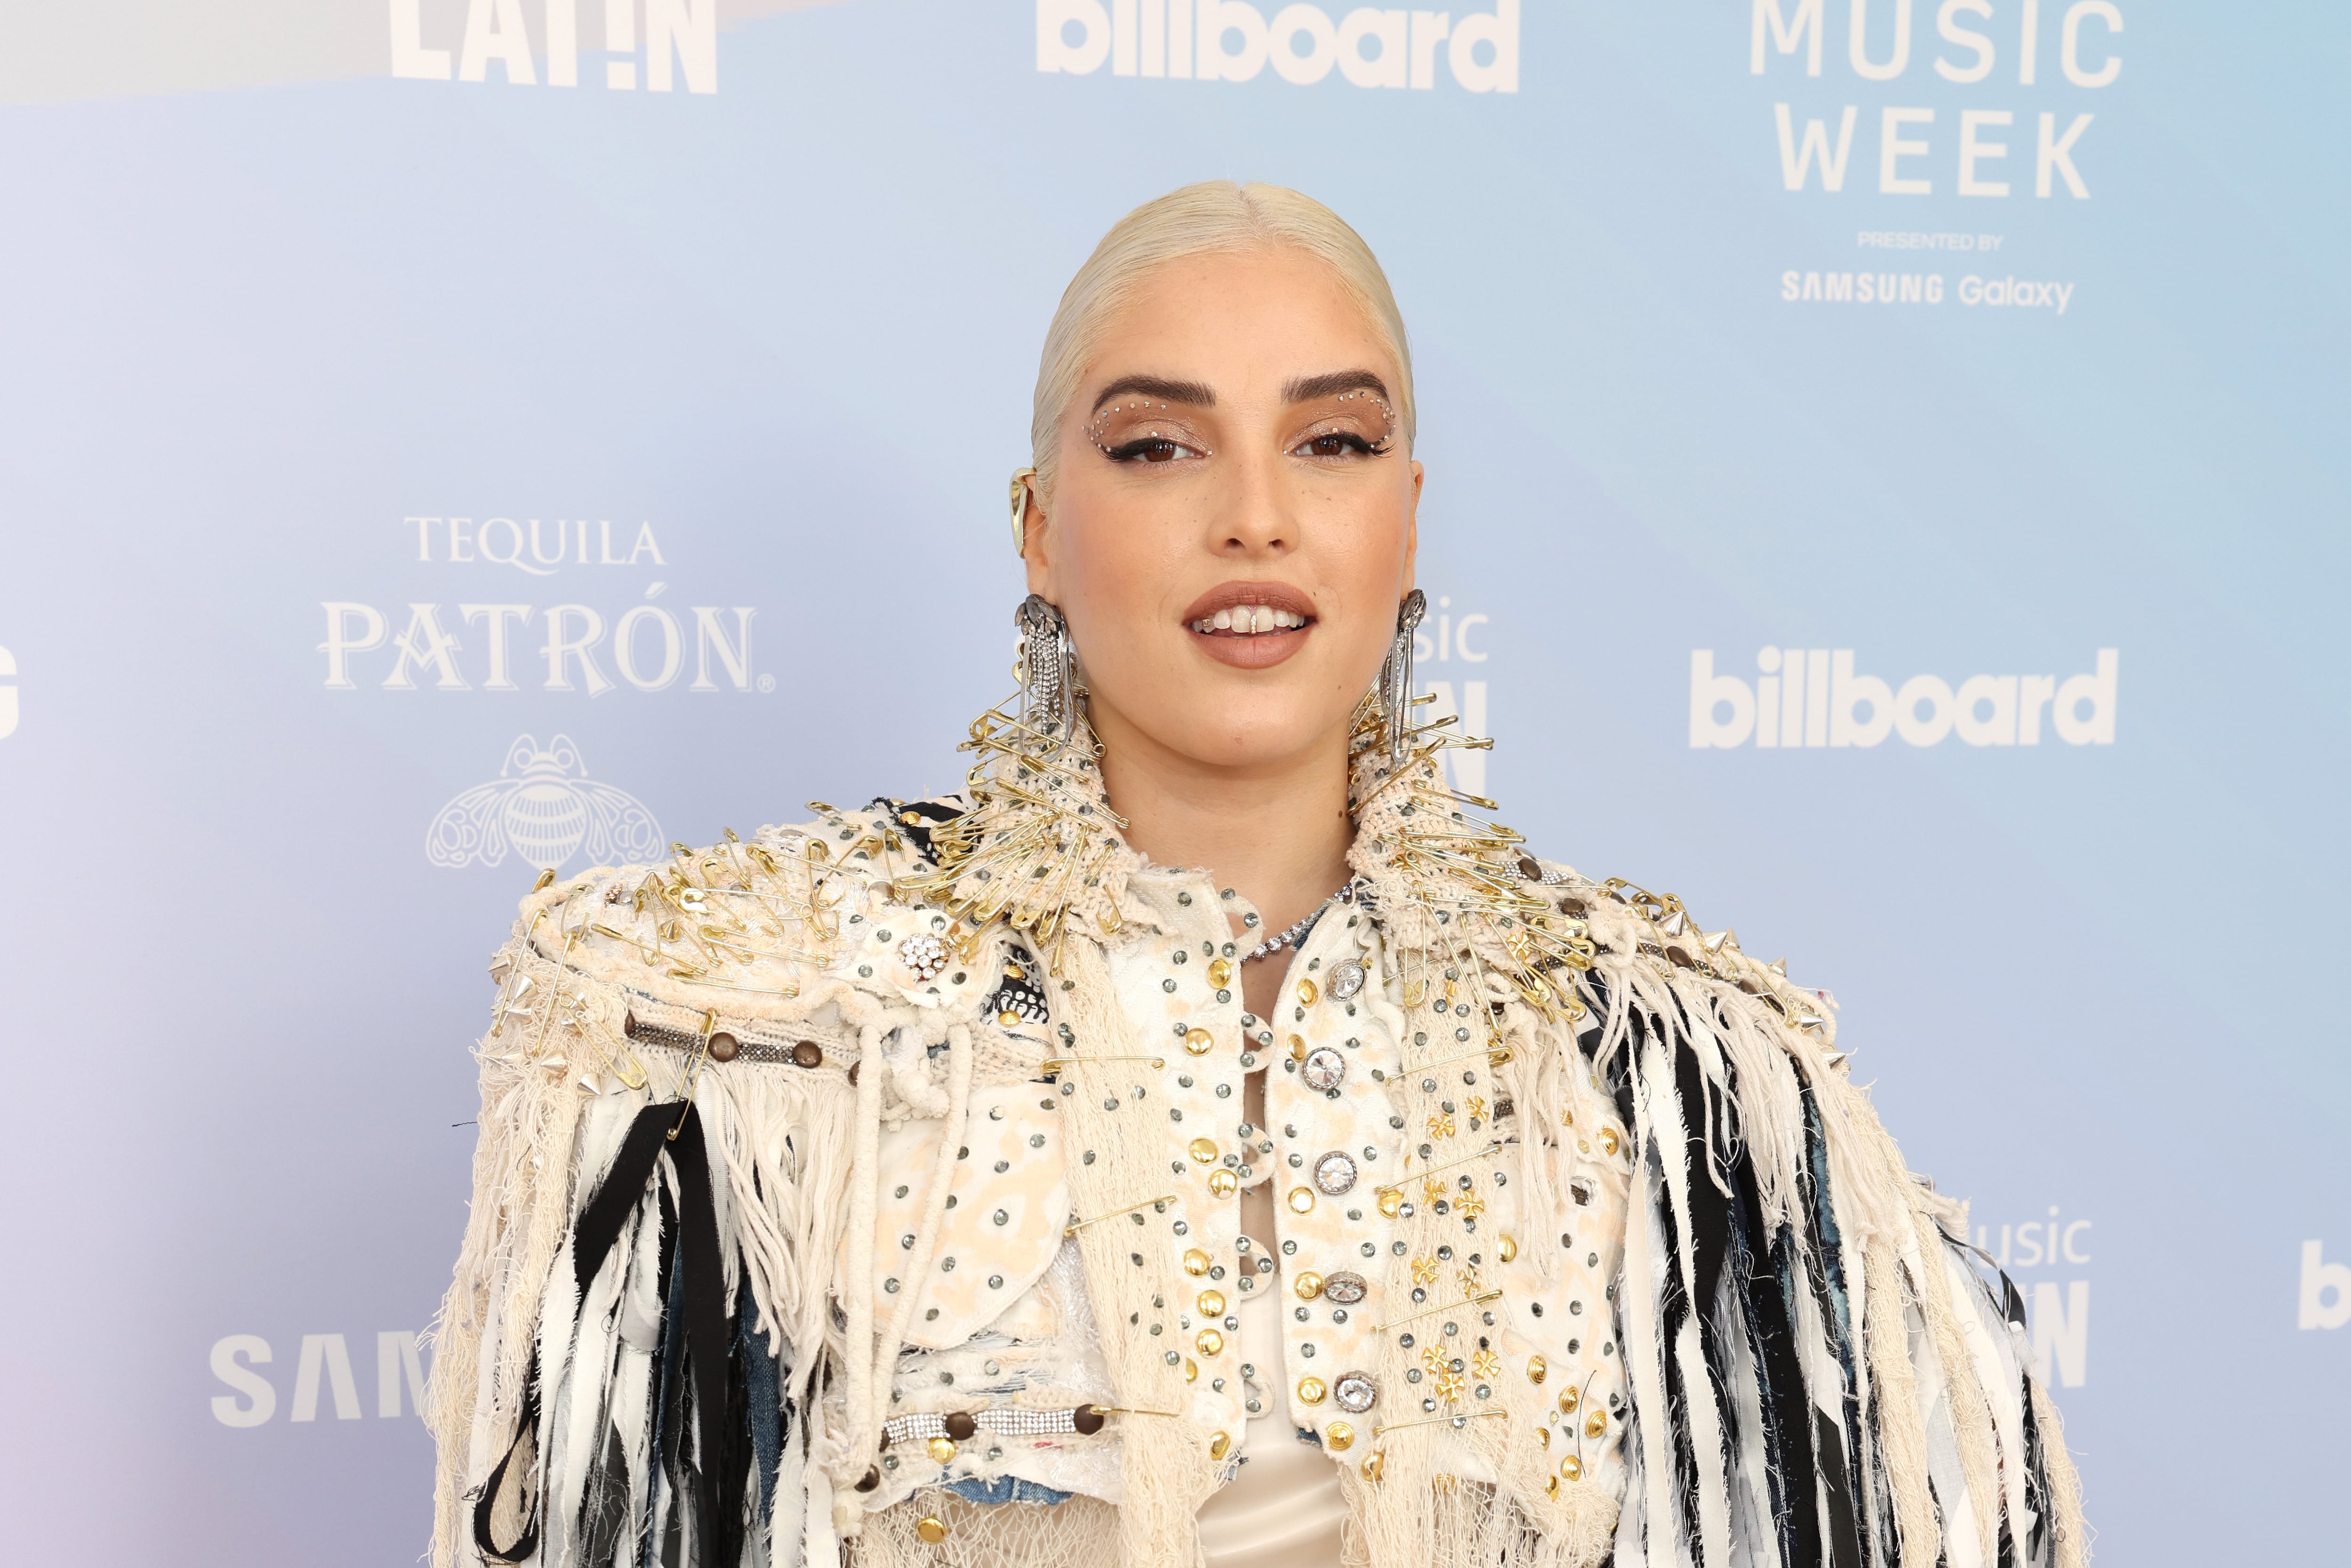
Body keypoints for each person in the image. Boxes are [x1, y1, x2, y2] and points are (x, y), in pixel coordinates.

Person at [426, 181, 2085, 1568]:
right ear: (1037, 529)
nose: (1256, 519)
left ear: (1409, 523)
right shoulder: (749, 1036)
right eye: (1158, 448)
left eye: (1333, 444)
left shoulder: (1677, 1083)